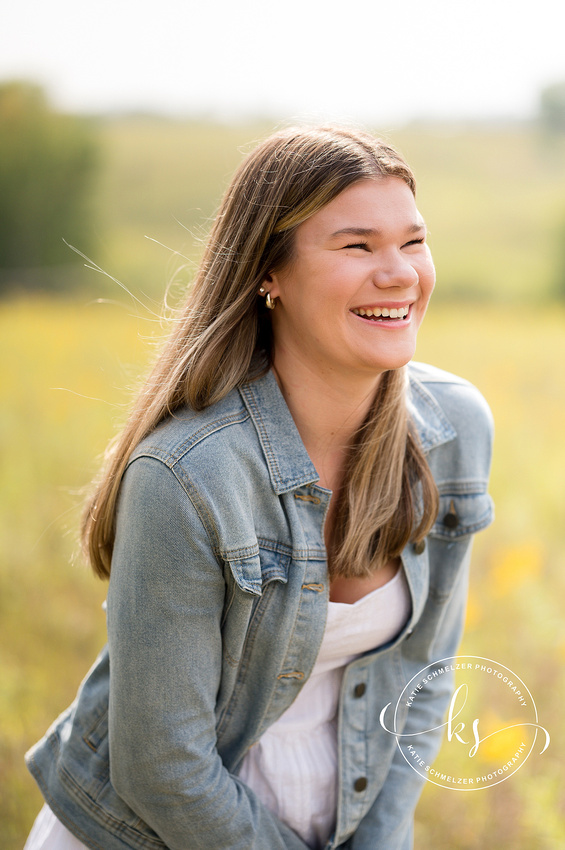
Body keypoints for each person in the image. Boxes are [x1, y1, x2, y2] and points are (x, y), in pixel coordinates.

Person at [25, 125, 494, 850]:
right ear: (266, 274)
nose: (400, 273)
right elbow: (162, 769)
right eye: (357, 245)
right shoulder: (186, 475)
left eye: (412, 241)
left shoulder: (454, 429)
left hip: (336, 825)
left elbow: (421, 681)